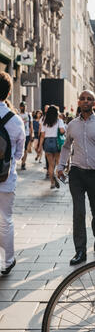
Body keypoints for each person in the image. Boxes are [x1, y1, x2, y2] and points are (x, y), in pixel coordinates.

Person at [57, 90, 95, 266]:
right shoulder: (72, 125)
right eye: (82, 98)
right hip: (77, 173)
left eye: (89, 99)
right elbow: (66, 146)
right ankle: (80, 251)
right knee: (79, 212)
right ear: (79, 102)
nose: (86, 101)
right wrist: (61, 166)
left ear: (94, 103)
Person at [0, 72, 25, 275]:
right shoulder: (16, 121)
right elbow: (18, 155)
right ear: (9, 92)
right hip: (5, 178)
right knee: (6, 219)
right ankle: (8, 261)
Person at [38, 105, 66, 190]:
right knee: (58, 162)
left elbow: (42, 135)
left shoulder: (44, 121)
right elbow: (62, 131)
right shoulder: (59, 121)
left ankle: (52, 182)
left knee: (50, 164)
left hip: (47, 142)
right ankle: (57, 177)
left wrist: (40, 147)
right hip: (56, 142)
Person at [19, 101, 33, 170]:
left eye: (24, 106)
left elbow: (31, 125)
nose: (23, 107)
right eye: (22, 106)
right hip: (19, 134)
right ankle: (22, 159)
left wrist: (31, 134)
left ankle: (23, 163)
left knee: (25, 150)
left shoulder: (28, 115)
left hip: (26, 134)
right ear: (20, 107)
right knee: (20, 149)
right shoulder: (18, 115)